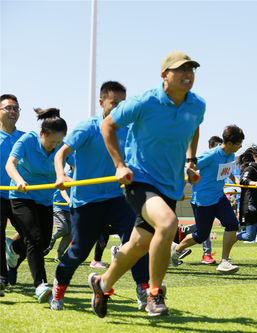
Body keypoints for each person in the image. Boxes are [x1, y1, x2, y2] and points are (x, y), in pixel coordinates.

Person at [88, 51, 204, 318]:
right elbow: (107, 126)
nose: (188, 74)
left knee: (139, 245)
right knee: (167, 222)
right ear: (165, 75)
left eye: (192, 69)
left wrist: (191, 161)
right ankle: (154, 294)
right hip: (139, 179)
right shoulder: (143, 102)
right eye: (180, 69)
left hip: (171, 183)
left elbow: (195, 126)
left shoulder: (197, 105)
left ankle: (102, 283)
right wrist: (120, 165)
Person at [52, 81, 150, 312]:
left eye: (123, 103)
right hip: (86, 201)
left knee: (140, 238)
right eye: (114, 103)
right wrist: (60, 174)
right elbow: (61, 153)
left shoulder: (129, 129)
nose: (118, 108)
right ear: (102, 102)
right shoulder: (88, 127)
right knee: (79, 252)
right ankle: (59, 288)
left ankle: (143, 288)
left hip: (117, 198)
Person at [6, 107, 67, 302]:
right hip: (21, 195)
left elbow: (76, 163)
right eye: (51, 141)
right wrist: (19, 180)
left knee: (43, 240)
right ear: (42, 133)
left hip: (45, 199)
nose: (54, 146)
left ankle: (14, 249)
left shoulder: (61, 146)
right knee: (34, 236)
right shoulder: (28, 140)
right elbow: (10, 164)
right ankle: (41, 285)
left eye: (58, 142)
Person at [172, 125, 244, 273]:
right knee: (201, 235)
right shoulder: (210, 155)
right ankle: (176, 250)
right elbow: (189, 167)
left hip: (219, 196)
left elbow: (225, 168)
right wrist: (179, 188)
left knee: (232, 224)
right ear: (229, 143)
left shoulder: (230, 155)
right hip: (203, 200)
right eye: (238, 144)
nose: (240, 147)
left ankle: (224, 261)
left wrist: (234, 178)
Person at [177, 135, 223, 265]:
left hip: (216, 196)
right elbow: (187, 171)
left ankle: (185, 230)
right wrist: (180, 190)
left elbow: (228, 173)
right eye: (217, 147)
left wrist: (236, 180)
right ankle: (206, 254)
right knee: (205, 226)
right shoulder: (205, 158)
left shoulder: (223, 159)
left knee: (207, 225)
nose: (220, 150)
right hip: (202, 198)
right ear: (210, 147)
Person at [0, 94, 26, 294]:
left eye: (15, 108)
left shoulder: (26, 139)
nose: (12, 111)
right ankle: (2, 277)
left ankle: (14, 254)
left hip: (21, 196)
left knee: (36, 238)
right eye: (7, 108)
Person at [43, 168, 74, 262]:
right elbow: (62, 190)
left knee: (71, 232)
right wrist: (68, 200)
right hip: (58, 206)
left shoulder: (81, 176)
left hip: (70, 207)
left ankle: (59, 254)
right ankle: (52, 238)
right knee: (62, 228)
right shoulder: (66, 175)